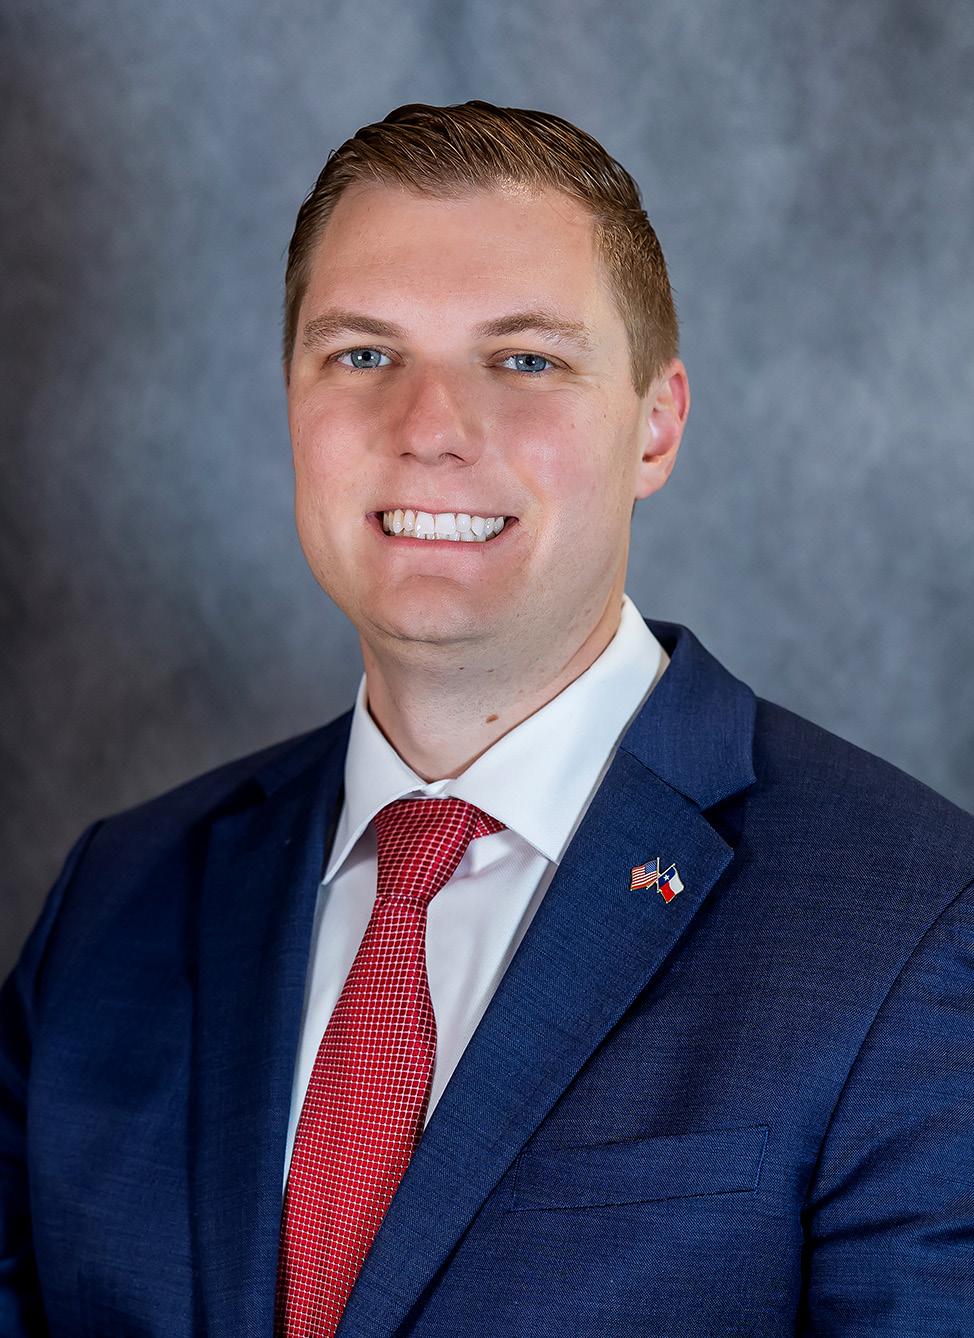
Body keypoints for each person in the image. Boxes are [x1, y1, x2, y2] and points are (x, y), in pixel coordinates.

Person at [2, 100, 972, 1338]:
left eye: (523, 361)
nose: (428, 430)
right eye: (363, 355)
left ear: (655, 425)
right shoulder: (113, 901)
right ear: (289, 401)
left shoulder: (911, 924)